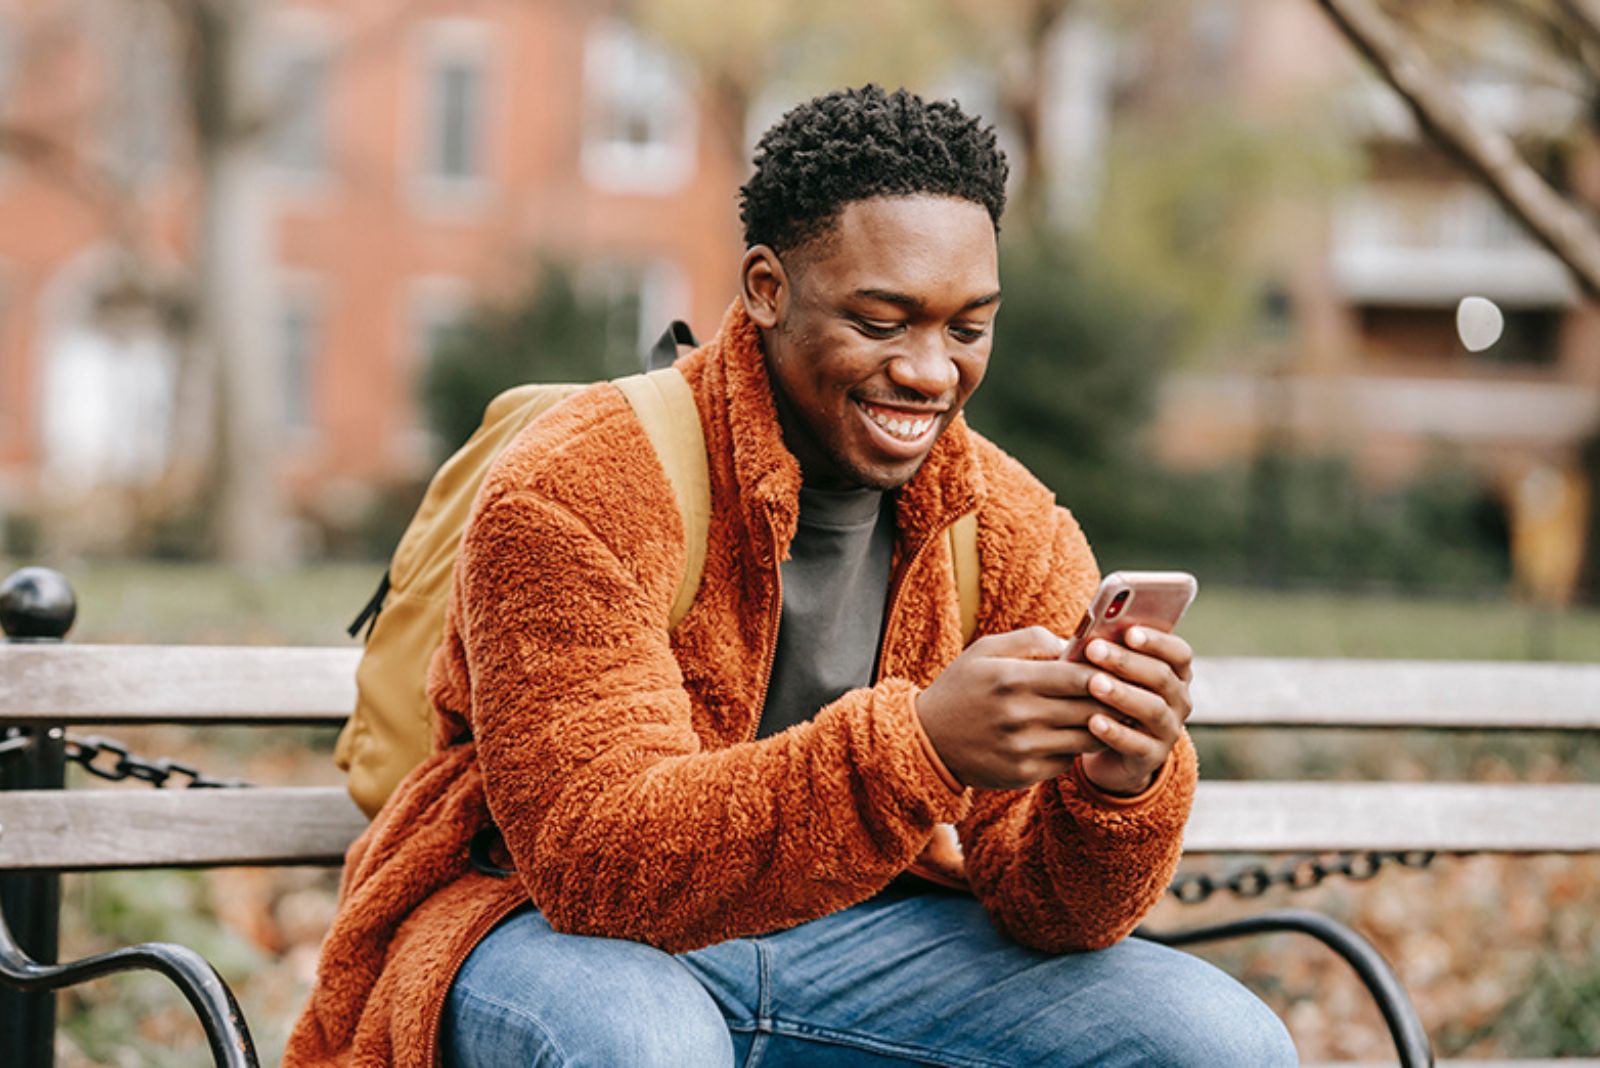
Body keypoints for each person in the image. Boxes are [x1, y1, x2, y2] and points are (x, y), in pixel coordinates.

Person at [287, 85, 1297, 1067]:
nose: (930, 370)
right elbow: (594, 866)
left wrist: (1116, 786)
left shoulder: (1008, 523)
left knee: (1221, 1042)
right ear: (766, 289)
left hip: (856, 943)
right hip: (538, 931)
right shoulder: (579, 478)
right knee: (645, 1045)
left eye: (966, 326)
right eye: (880, 319)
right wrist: (917, 747)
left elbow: (1056, 912)